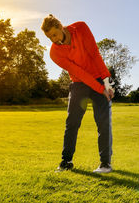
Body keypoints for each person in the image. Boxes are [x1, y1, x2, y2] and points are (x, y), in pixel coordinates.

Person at [41, 14, 114, 174]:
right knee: (72, 123)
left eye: (54, 34)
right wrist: (99, 88)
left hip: (98, 77)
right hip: (79, 82)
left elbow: (95, 54)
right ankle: (66, 162)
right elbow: (78, 72)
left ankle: (105, 164)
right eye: (49, 37)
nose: (53, 39)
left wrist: (107, 83)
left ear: (61, 27)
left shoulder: (80, 27)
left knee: (103, 122)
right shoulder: (55, 53)